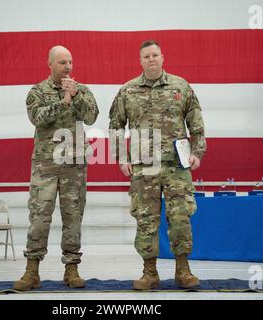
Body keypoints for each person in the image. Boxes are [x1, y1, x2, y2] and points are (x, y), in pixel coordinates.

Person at [109, 40, 207, 290]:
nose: (151, 59)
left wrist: (198, 152)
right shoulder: (127, 91)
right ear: (140, 61)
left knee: (180, 217)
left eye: (155, 55)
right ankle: (149, 272)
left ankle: (183, 271)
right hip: (145, 168)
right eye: (146, 56)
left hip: (177, 166)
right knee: (146, 219)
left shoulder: (181, 86)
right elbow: (116, 126)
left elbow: (196, 123)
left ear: (162, 58)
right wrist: (121, 157)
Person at [13, 45, 99, 291]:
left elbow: (92, 116)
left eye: (70, 62)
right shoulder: (37, 91)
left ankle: (71, 270)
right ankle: (32, 271)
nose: (68, 67)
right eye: (62, 62)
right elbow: (37, 118)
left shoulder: (82, 90)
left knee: (73, 218)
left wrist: (77, 96)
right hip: (46, 166)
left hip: (74, 166)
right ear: (49, 64)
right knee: (39, 218)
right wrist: (64, 102)